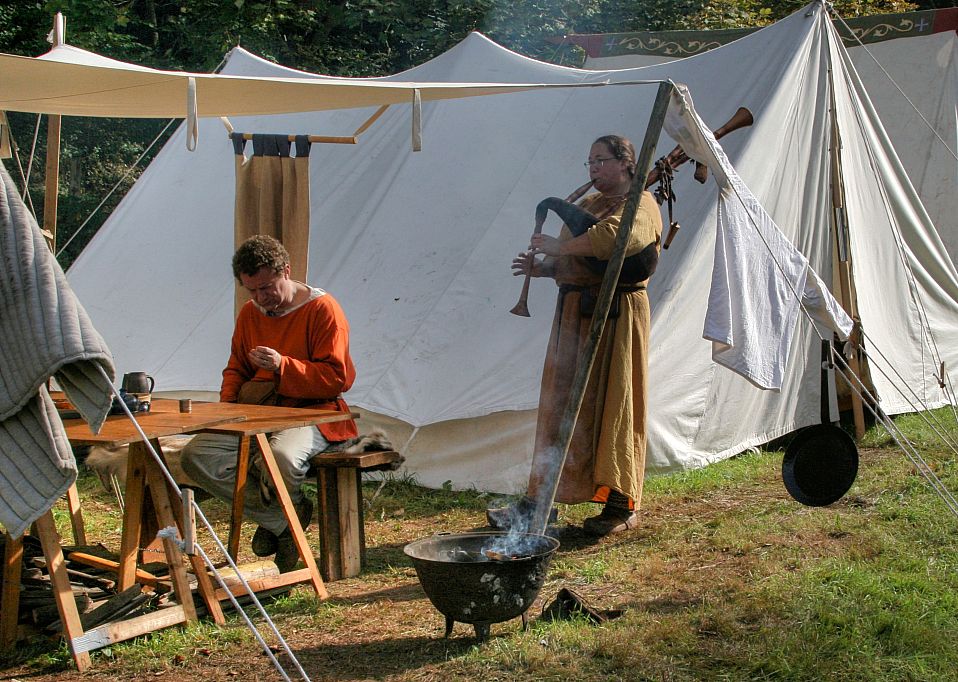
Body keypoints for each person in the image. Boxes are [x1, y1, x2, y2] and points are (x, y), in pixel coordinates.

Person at [492, 134, 663, 537]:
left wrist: (561, 250)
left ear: (625, 163)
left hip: (616, 315)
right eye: (590, 162)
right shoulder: (591, 203)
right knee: (559, 404)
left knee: (613, 402)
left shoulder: (641, 203)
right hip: (573, 314)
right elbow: (577, 256)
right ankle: (539, 502)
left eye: (601, 160)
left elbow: (618, 238)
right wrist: (544, 268)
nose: (594, 169)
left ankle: (620, 504)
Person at [182, 235, 358, 571]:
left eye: (266, 288)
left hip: (314, 413)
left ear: (286, 271)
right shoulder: (251, 313)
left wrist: (283, 366)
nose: (261, 298)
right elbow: (236, 368)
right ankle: (283, 520)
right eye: (252, 291)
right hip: (259, 413)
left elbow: (337, 378)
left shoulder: (323, 309)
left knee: (280, 457)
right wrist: (228, 411)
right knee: (198, 455)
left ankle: (282, 523)